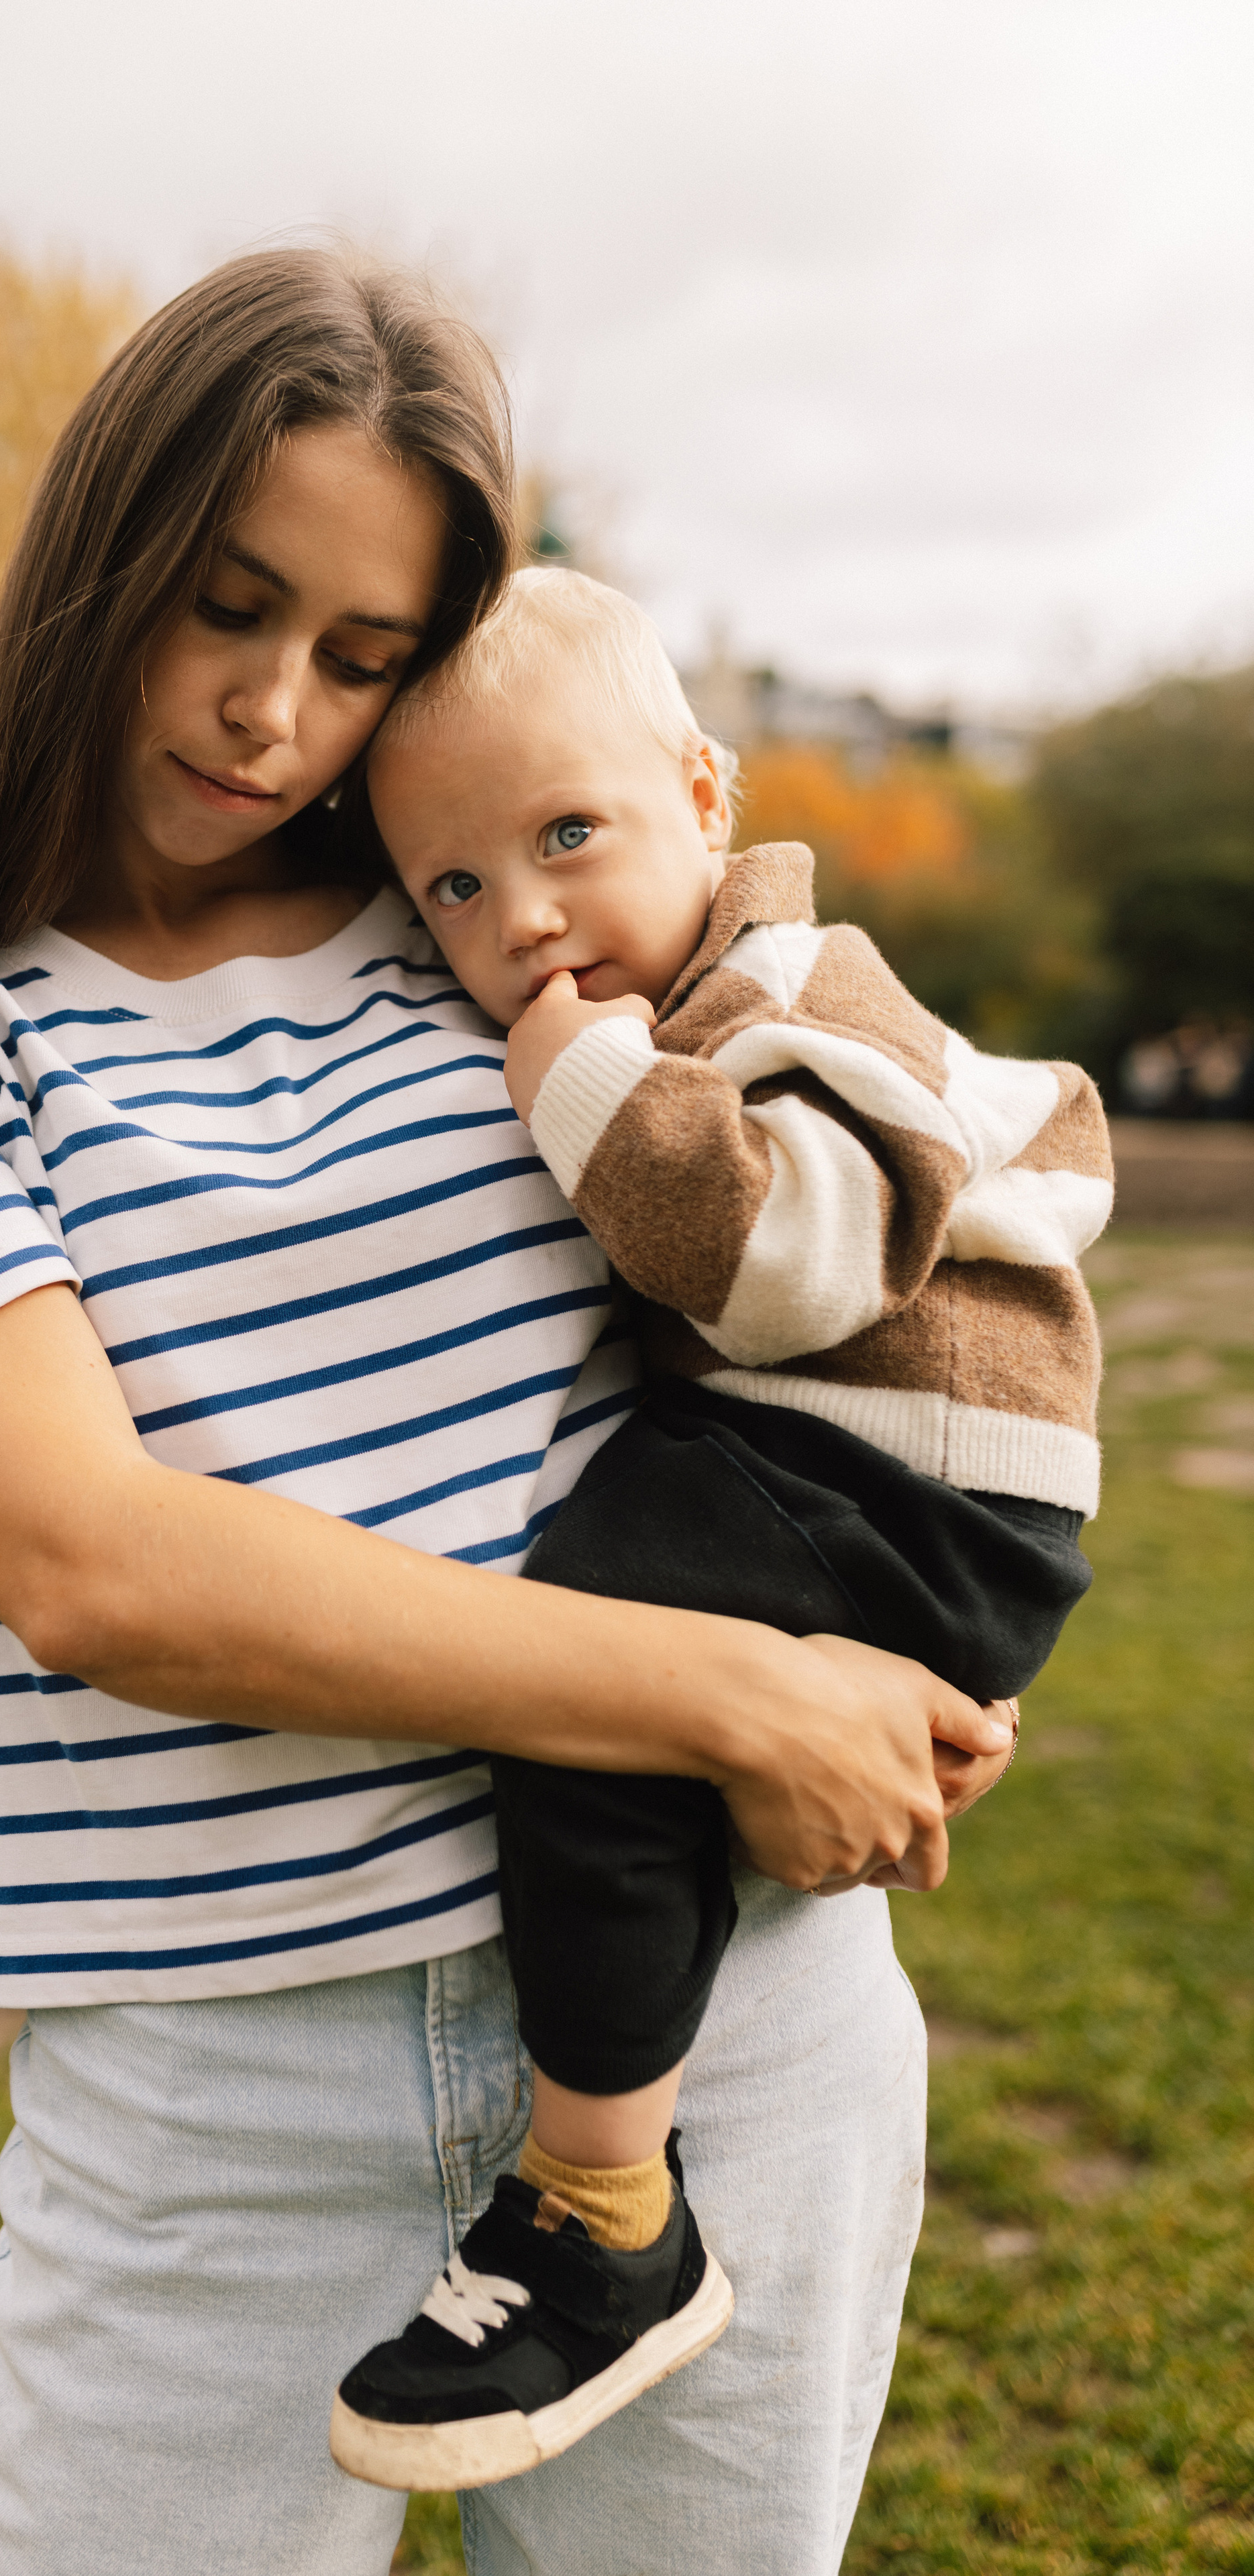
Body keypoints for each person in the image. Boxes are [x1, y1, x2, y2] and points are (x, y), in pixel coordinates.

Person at [0, 250, 1012, 2576]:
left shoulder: (484, 925)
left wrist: (926, 1610)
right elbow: (96, 1569)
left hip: (733, 2028)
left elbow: (842, 1239)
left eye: (364, 657)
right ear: (103, 557)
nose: (277, 711)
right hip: (219, 2091)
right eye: (227, 608)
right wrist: (740, 1686)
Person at [332, 566, 1107, 2493]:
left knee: (593, 1669)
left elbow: (782, 1260)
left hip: (915, 1475)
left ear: (707, 792)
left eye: (567, 835)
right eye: (451, 885)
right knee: (628, 1683)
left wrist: (577, 1079)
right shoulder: (681, 991)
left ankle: (605, 2208)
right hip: (860, 1472)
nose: (518, 918)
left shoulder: (787, 993)